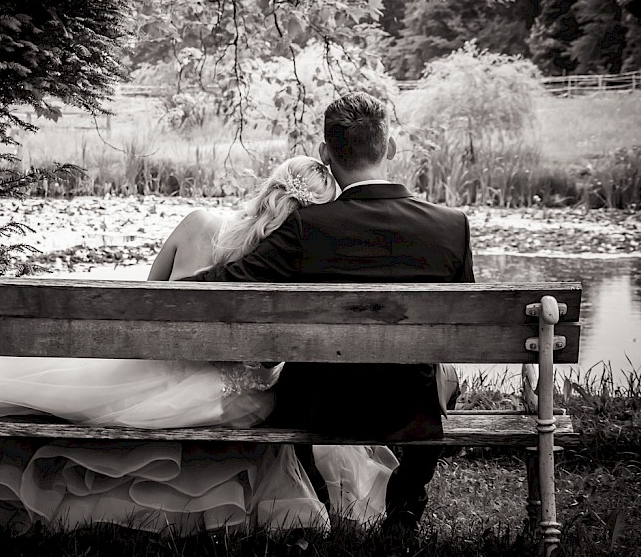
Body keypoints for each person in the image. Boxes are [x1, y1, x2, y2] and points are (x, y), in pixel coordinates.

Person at [0, 155, 399, 536]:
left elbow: (143, 310)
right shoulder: (298, 260)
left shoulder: (202, 224)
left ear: (268, 189)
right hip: (243, 398)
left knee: (40, 381)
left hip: (171, 371)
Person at [186, 92, 474, 534]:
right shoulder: (451, 226)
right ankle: (404, 503)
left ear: (325, 153)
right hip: (410, 409)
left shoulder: (306, 228)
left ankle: (321, 495)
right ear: (390, 148)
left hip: (318, 408)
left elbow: (219, 288)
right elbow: (466, 327)